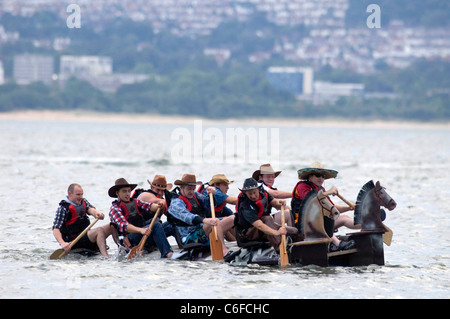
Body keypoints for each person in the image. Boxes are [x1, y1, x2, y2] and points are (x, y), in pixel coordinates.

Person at [167, 174, 236, 260]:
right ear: (181, 187)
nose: (191, 191)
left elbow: (208, 204)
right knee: (215, 221)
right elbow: (189, 217)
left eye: (193, 188)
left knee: (232, 218)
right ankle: (223, 251)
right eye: (189, 189)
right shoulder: (176, 203)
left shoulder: (196, 195)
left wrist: (211, 194)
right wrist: (205, 220)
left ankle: (237, 244)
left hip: (201, 229)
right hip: (189, 237)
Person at [292, 162, 357, 251]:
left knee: (344, 218)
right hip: (302, 223)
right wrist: (329, 192)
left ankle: (365, 224)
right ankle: (338, 244)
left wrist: (349, 208)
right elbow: (311, 201)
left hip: (319, 222)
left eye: (323, 176)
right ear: (310, 177)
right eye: (318, 175)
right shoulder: (302, 186)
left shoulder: (321, 190)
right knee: (326, 219)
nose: (321, 178)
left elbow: (332, 208)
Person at [108, 178, 173, 258]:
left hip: (142, 232)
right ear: (117, 193)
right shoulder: (115, 208)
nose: (128, 194)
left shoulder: (135, 201)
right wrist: (141, 230)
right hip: (130, 239)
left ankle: (185, 246)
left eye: (129, 191)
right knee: (156, 225)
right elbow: (124, 226)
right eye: (124, 191)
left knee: (171, 223)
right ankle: (167, 253)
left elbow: (149, 206)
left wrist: (158, 205)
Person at [235, 178, 298, 253]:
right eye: (250, 194)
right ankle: (280, 248)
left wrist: (281, 203)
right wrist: (277, 232)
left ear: (258, 189)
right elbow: (259, 225)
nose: (253, 196)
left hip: (264, 227)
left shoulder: (263, 193)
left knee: (294, 231)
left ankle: (298, 249)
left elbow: (275, 203)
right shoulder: (245, 206)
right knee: (267, 218)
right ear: (245, 193)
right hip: (248, 234)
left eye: (254, 192)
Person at [52, 183, 114, 258]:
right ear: (70, 194)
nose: (80, 197)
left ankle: (123, 249)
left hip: (85, 236)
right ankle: (106, 257)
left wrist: (97, 213)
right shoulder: (63, 208)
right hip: (74, 241)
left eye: (82, 194)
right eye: (78, 194)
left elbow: (90, 209)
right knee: (99, 230)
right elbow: (56, 228)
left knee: (112, 226)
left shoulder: (83, 201)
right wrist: (62, 243)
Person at [199, 174, 237, 241]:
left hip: (212, 221)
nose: (228, 187)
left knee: (235, 218)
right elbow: (233, 201)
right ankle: (242, 243)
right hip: (204, 226)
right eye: (225, 185)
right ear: (216, 185)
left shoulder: (217, 193)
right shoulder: (215, 192)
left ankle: (238, 242)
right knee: (232, 219)